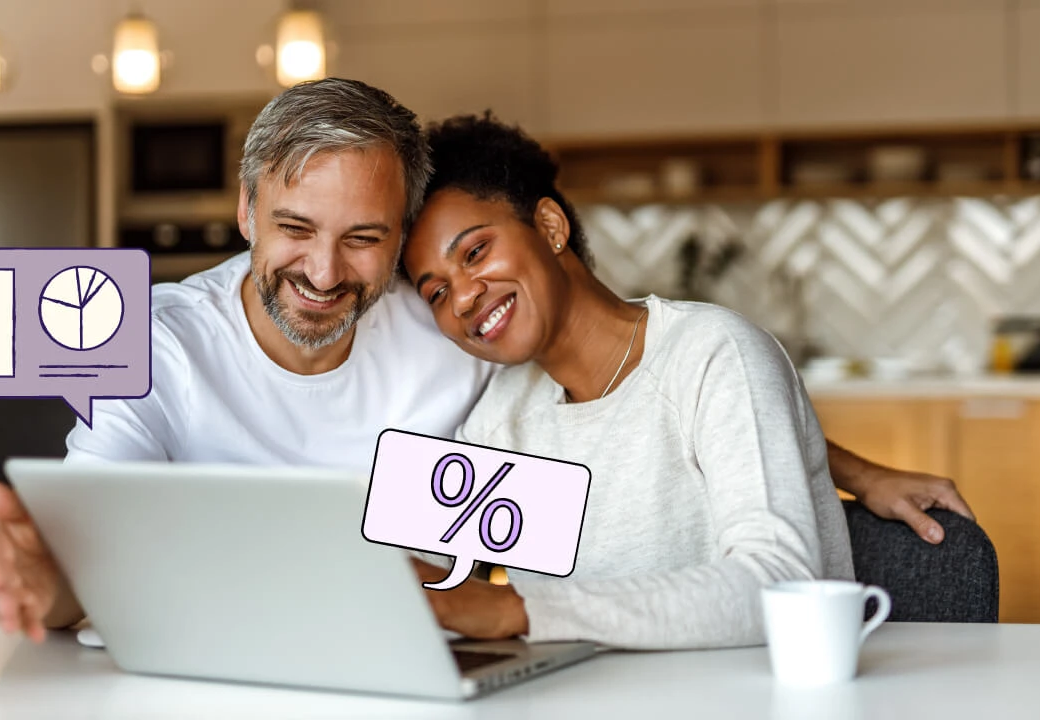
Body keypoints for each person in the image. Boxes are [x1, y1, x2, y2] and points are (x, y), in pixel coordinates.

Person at [0, 79, 973, 644]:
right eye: (436, 286)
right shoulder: (486, 384)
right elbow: (414, 551)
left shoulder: (512, 346)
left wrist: (825, 460)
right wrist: (52, 571)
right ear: (246, 214)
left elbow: (675, 395)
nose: (324, 272)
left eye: (367, 240)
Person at [397, 113, 944, 649]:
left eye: (475, 252)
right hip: (579, 695)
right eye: (436, 292)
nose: (462, 297)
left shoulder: (713, 354)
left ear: (550, 227)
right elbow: (417, 572)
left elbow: (779, 580)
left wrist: (517, 611)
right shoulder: (501, 418)